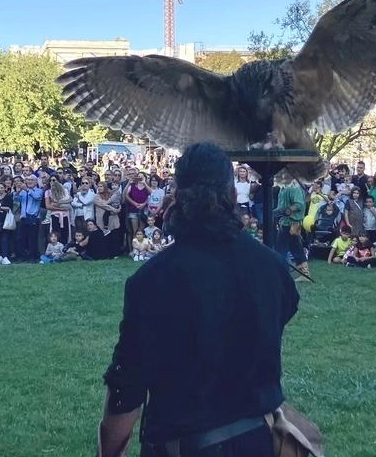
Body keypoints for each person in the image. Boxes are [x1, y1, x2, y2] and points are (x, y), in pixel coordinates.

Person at [97, 142, 306, 457]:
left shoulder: (152, 280)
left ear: (176, 194)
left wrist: (108, 452)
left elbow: (127, 388)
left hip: (183, 444)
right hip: (259, 442)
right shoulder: (272, 267)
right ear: (233, 194)